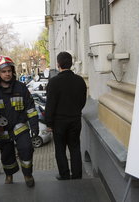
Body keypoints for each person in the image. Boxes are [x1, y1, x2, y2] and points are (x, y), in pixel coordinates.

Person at [0, 55, 39, 187]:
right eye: (4, 71)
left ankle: (27, 174)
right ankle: (9, 175)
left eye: (9, 71)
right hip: (2, 129)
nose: (7, 74)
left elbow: (30, 108)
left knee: (26, 149)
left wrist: (34, 126)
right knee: (6, 155)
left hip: (20, 126)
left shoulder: (21, 87)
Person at [45, 51, 87, 180]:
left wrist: (49, 123)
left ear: (58, 64)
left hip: (59, 122)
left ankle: (64, 174)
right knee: (75, 148)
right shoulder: (80, 81)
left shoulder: (53, 82)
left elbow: (50, 104)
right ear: (71, 63)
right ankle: (77, 175)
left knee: (60, 149)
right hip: (75, 120)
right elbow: (82, 101)